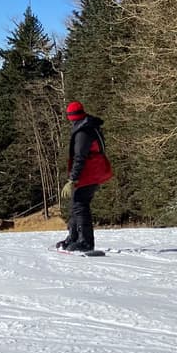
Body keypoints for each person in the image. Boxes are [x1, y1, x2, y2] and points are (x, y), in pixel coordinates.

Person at [56, 101, 113, 252]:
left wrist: (72, 179)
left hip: (90, 172)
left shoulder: (83, 132)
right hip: (91, 171)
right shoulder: (85, 125)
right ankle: (74, 237)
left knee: (80, 204)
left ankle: (86, 242)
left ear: (71, 116)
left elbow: (79, 158)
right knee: (76, 203)